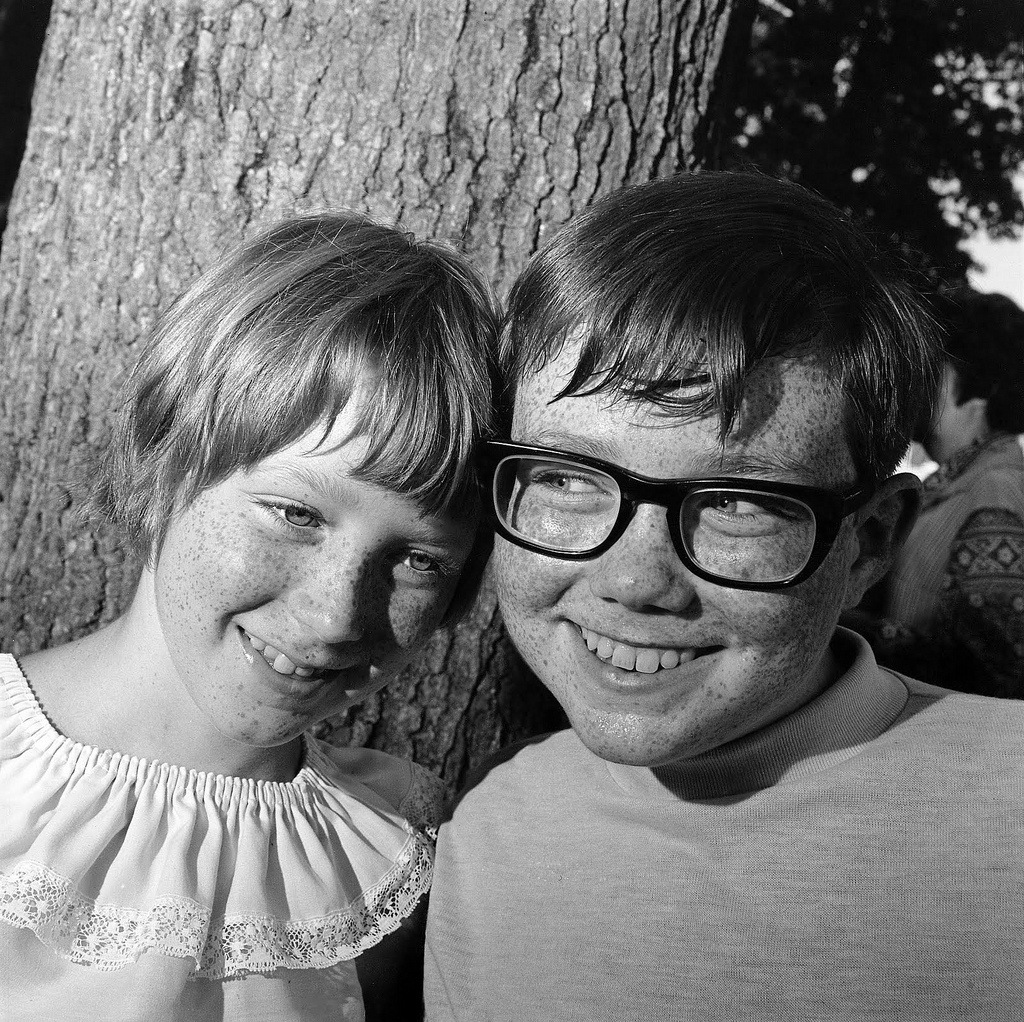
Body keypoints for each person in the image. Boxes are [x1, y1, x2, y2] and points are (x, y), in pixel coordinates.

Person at [423, 173, 1024, 1021]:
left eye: (738, 502)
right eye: (566, 477)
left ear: (870, 542)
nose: (635, 582)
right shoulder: (486, 836)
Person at [0, 212, 499, 1021]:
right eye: (296, 515)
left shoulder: (397, 859)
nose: (336, 617)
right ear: (167, 453)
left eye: (419, 560)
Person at [848, 288, 1024, 697]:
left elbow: (992, 672)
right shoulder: (957, 488)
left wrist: (851, 632)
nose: (911, 384)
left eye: (931, 369)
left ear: (978, 384)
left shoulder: (994, 493)